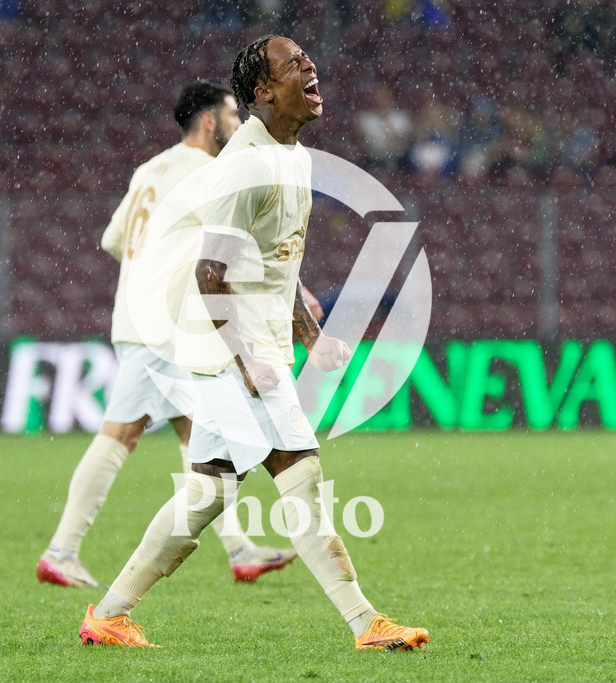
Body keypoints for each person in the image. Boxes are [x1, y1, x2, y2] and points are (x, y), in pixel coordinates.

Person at [78, 35, 429, 651]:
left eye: (307, 59)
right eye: (294, 64)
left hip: (250, 348)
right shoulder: (246, 165)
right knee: (301, 471)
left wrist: (312, 336)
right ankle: (365, 622)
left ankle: (108, 614)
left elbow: (272, 263)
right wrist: (246, 364)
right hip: (231, 351)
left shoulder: (291, 154)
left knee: (208, 492)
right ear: (264, 90)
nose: (310, 66)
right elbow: (211, 274)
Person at [36, 81, 298, 589]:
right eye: (230, 113)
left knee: (188, 434)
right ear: (207, 122)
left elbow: (115, 240)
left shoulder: (150, 169)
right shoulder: (209, 172)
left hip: (137, 321)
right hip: (164, 330)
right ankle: (61, 551)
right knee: (152, 434)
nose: (239, 123)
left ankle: (239, 549)